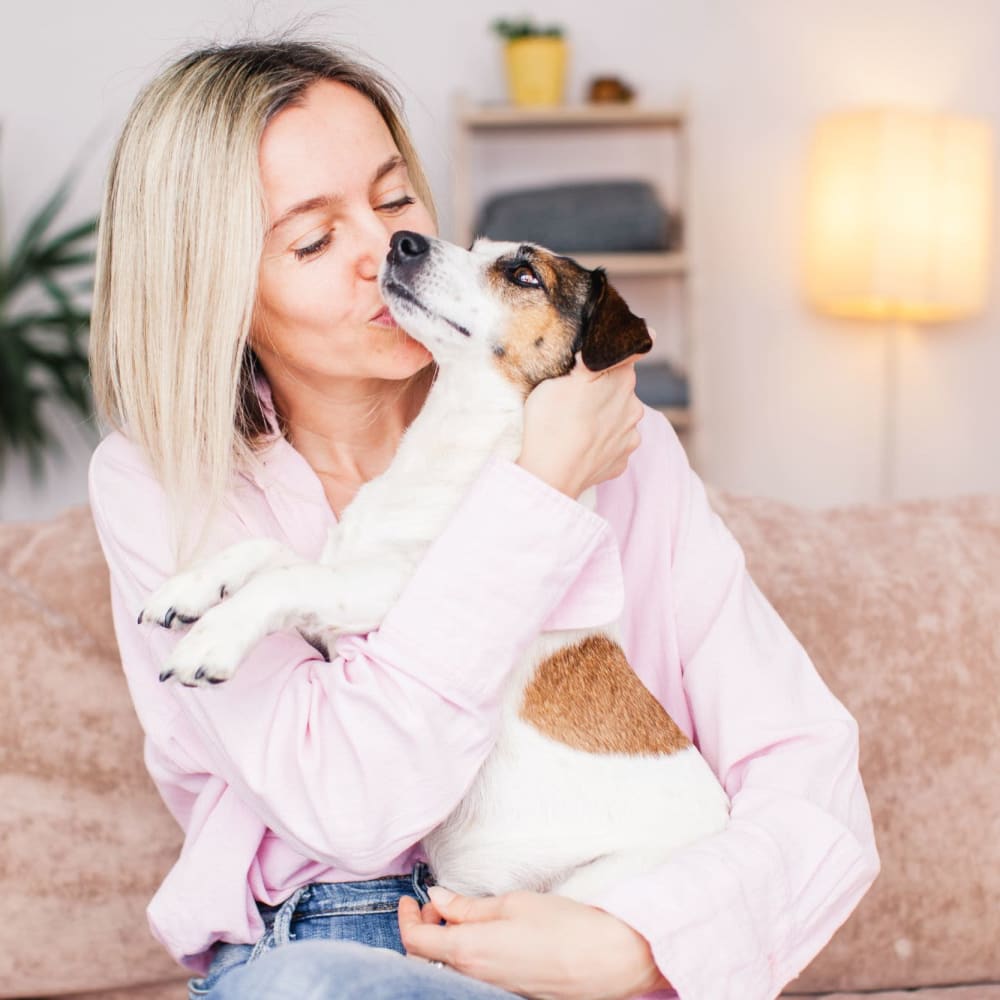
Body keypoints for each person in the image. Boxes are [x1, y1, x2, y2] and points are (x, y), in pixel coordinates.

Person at [88, 38, 879, 1000]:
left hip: (592, 924)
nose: (383, 252)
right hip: (326, 956)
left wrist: (638, 941)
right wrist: (536, 491)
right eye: (311, 239)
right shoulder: (163, 481)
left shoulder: (619, 443)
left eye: (393, 200)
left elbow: (808, 773)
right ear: (212, 288)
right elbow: (356, 805)